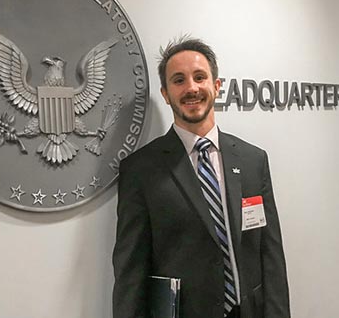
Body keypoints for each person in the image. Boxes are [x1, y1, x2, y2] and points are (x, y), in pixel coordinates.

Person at [112, 37, 290, 318]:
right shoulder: (141, 170)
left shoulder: (253, 160)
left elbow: (271, 257)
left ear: (216, 86)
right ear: (166, 93)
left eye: (199, 77)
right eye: (179, 80)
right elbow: (130, 273)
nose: (191, 88)